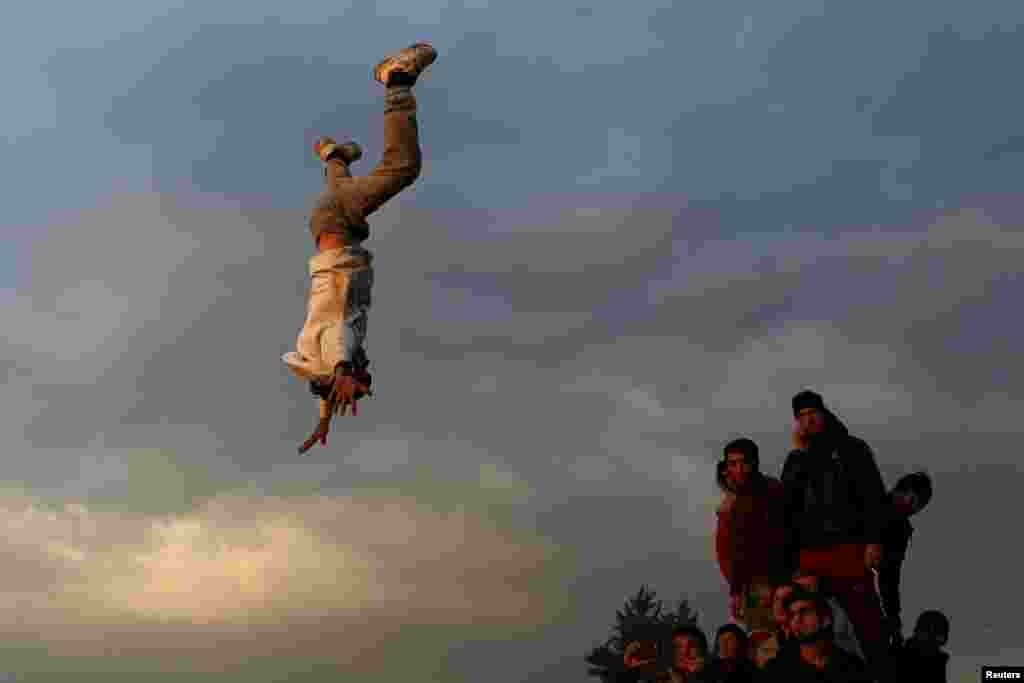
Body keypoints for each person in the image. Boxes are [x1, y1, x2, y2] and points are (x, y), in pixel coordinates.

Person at [282, 43, 438, 453]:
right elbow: (324, 374)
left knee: (403, 168)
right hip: (332, 225)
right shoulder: (312, 350)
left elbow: (339, 347)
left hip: (338, 219)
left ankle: (397, 80)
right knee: (345, 189)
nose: (369, 378)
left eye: (362, 382)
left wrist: (344, 372)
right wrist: (323, 417)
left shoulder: (336, 342)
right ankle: (334, 156)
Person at [781, 390, 889, 674]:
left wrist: (874, 541)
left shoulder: (852, 449)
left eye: (812, 413)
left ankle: (879, 675)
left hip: (849, 549)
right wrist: (793, 565)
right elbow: (786, 510)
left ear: (824, 413)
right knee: (805, 625)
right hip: (810, 556)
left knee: (868, 622)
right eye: (801, 416)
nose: (807, 420)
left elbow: (874, 496)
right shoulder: (796, 459)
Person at [714, 438, 786, 625]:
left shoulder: (771, 490)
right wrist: (736, 590)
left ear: (754, 463)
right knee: (760, 643)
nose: (738, 469)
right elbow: (734, 549)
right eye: (732, 464)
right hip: (749, 585)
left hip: (769, 584)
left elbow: (779, 540)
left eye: (743, 462)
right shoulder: (735, 502)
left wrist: (776, 584)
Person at [757, 586, 874, 682]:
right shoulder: (777, 670)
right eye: (792, 615)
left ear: (825, 620)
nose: (797, 620)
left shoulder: (852, 666)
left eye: (804, 612)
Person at [878, 471, 933, 647]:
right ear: (908, 493)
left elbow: (890, 576)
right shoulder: (894, 523)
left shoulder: (898, 525)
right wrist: (893, 617)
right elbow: (889, 576)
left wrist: (893, 617)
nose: (917, 509)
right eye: (920, 501)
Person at [791, 568, 864, 660]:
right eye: (802, 588)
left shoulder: (835, 607)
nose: (807, 593)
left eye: (811, 587)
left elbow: (851, 639)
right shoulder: (789, 612)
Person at [886, 610, 949, 683]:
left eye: (937, 634)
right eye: (927, 632)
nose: (931, 638)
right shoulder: (899, 657)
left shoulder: (937, 662)